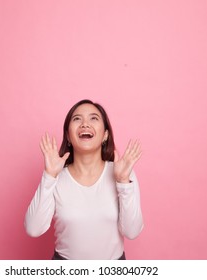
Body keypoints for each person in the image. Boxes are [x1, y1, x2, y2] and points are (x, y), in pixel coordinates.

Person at [24, 99, 144, 260]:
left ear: (105, 135)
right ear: (68, 135)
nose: (85, 124)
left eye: (93, 118)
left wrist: (123, 181)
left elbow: (132, 231)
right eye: (77, 119)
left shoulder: (122, 172)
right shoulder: (56, 177)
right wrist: (49, 176)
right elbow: (33, 229)